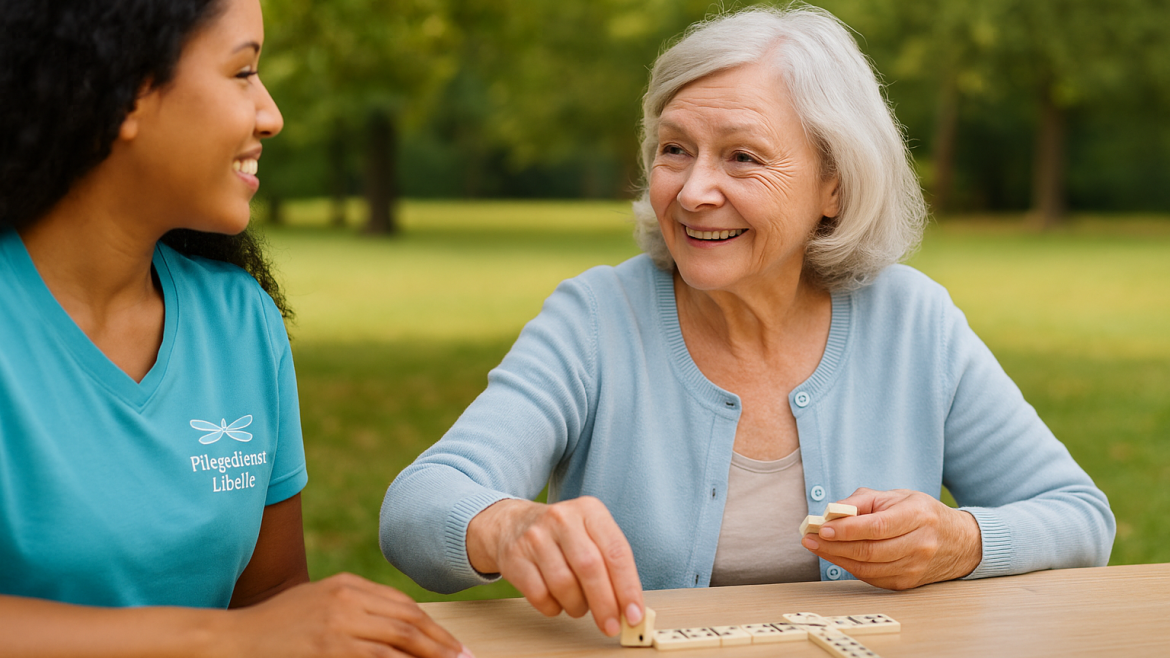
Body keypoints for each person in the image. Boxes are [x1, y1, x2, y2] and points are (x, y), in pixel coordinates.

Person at [378, 4, 1115, 640]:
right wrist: (508, 527)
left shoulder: (912, 321)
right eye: (675, 150)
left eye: (742, 157)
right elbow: (416, 509)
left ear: (834, 184)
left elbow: (1082, 518)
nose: (695, 191)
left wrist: (962, 540)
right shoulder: (597, 319)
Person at [0, 1, 471, 656]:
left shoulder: (241, 320)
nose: (272, 115)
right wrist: (220, 637)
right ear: (127, 91)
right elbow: (249, 632)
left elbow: (272, 604)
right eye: (243, 72)